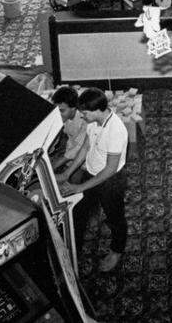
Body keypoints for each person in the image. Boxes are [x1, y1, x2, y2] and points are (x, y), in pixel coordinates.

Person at [58, 87, 129, 272]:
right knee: (78, 213)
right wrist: (67, 174)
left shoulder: (116, 130)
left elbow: (110, 170)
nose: (82, 117)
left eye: (85, 113)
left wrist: (79, 187)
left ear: (97, 110)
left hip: (110, 181)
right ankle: (73, 251)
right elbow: (85, 148)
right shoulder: (93, 122)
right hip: (91, 173)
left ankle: (116, 251)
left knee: (115, 218)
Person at [49, 86, 86, 172]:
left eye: (62, 111)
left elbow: (79, 147)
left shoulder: (85, 120)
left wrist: (57, 163)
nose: (58, 114)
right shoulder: (65, 118)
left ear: (73, 107)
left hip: (84, 160)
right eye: (56, 110)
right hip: (69, 155)